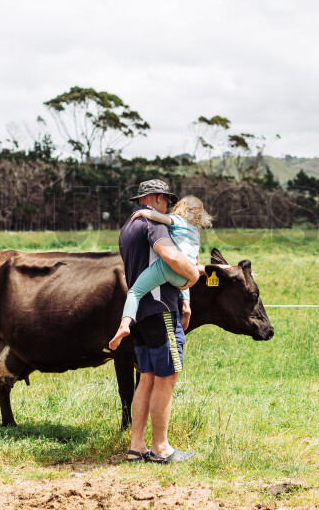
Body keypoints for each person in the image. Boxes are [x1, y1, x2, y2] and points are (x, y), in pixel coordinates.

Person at [117, 179, 202, 463]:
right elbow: (169, 254)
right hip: (161, 308)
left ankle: (137, 447)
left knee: (147, 377)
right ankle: (161, 449)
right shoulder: (155, 224)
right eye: (165, 200)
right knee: (168, 376)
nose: (168, 206)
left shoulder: (128, 227)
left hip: (141, 312)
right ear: (154, 198)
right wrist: (192, 276)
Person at [108, 195, 213, 351]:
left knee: (135, 292)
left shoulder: (178, 221)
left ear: (180, 208)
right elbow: (194, 262)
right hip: (184, 279)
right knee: (186, 272)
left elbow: (159, 217)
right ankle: (186, 308)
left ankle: (124, 325)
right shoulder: (196, 235)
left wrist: (142, 213)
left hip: (168, 269)